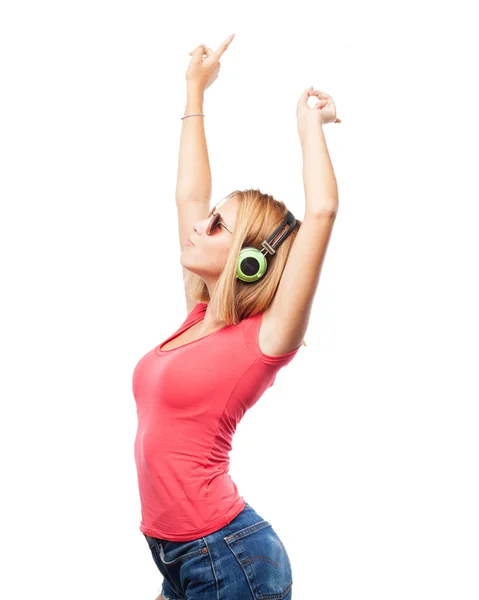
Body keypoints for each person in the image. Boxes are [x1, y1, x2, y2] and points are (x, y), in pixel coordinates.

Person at [132, 33, 340, 600]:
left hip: (229, 559)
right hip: (177, 555)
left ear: (250, 261)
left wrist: (309, 126)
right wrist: (195, 90)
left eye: (218, 224)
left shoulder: (267, 339)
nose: (200, 225)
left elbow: (320, 213)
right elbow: (188, 196)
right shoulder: (196, 316)